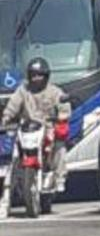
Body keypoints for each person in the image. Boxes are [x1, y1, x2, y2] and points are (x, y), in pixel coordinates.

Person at [1, 58, 71, 192]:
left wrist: (63, 115)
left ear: (46, 76)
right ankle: (12, 178)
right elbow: (13, 105)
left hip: (48, 127)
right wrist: (6, 117)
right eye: (34, 75)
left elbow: (64, 105)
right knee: (13, 146)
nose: (37, 78)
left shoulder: (54, 91)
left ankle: (59, 178)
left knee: (59, 146)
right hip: (27, 128)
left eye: (40, 75)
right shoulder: (23, 90)